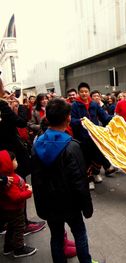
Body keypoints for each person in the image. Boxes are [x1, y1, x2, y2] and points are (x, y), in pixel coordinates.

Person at [31, 98, 102, 263]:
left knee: (56, 237)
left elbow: (36, 180)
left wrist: (40, 207)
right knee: (79, 233)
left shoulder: (36, 145)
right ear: (68, 118)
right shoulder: (72, 146)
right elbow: (80, 181)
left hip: (49, 204)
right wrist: (87, 207)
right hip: (70, 204)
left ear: (47, 118)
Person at [0, 77, 45, 236]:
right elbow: (20, 122)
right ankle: (22, 225)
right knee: (18, 184)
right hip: (9, 154)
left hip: (4, 153)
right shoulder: (2, 106)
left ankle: (7, 224)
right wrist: (18, 106)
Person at [70, 82, 113, 190]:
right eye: (82, 92)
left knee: (98, 156)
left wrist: (114, 119)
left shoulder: (94, 104)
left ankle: (96, 173)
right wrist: (80, 121)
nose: (84, 93)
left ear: (89, 92)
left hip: (95, 136)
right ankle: (89, 179)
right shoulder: (74, 106)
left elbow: (104, 116)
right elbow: (71, 121)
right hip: (82, 138)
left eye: (86, 91)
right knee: (86, 158)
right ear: (78, 93)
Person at [0, 150, 37, 258]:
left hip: (14, 209)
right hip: (15, 209)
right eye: (14, 160)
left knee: (11, 227)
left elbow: (19, 184)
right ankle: (19, 249)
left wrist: (24, 186)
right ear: (7, 164)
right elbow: (15, 197)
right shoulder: (8, 182)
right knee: (19, 228)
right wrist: (28, 192)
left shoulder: (10, 176)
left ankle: (9, 246)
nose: (17, 161)